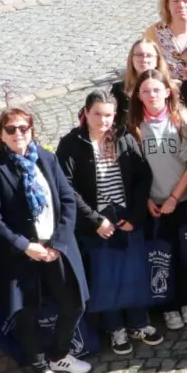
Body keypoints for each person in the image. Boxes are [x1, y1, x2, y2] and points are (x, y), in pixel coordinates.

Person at [0, 107, 93, 373]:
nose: (18, 134)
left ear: (32, 130)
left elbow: (67, 200)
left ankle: (58, 354)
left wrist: (58, 242)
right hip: (21, 253)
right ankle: (40, 368)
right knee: (27, 311)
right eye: (11, 129)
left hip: (55, 247)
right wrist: (24, 246)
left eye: (23, 128)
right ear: (1, 135)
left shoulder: (46, 157)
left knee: (74, 301)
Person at [57, 90, 159, 356]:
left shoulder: (124, 137)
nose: (104, 121)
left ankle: (139, 322)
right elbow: (66, 188)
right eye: (98, 115)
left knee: (133, 271)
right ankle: (115, 328)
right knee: (106, 276)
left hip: (126, 213)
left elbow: (142, 177)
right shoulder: (71, 143)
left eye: (109, 115)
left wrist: (135, 215)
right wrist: (94, 220)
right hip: (96, 218)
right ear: (87, 113)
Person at [127, 68, 187, 332]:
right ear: (138, 95)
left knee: (185, 253)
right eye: (145, 91)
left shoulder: (181, 120)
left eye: (156, 89)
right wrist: (146, 199)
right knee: (160, 256)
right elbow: (132, 169)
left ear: (167, 91)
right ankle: (168, 305)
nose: (151, 95)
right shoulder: (134, 125)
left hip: (181, 199)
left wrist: (174, 197)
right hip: (152, 203)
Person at [112, 39, 168, 120]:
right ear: (132, 59)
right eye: (139, 55)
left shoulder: (171, 87)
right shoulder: (118, 90)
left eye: (149, 55)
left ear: (157, 60)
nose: (144, 59)